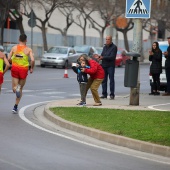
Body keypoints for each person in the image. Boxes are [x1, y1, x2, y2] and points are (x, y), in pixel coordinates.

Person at [8, 34, 35, 113]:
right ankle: (15, 106)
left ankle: (16, 89)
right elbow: (32, 60)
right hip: (24, 70)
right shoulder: (28, 49)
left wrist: (12, 62)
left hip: (15, 69)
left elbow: (9, 58)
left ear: (19, 39)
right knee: (20, 88)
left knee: (15, 88)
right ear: (26, 40)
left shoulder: (14, 48)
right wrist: (31, 68)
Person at [94, 35, 117, 100]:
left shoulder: (114, 47)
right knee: (103, 80)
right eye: (106, 39)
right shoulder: (104, 47)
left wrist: (103, 57)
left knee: (111, 80)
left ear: (111, 40)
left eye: (108, 39)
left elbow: (112, 57)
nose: (107, 40)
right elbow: (102, 55)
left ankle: (112, 94)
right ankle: (104, 94)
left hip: (110, 66)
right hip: (104, 65)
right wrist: (99, 57)